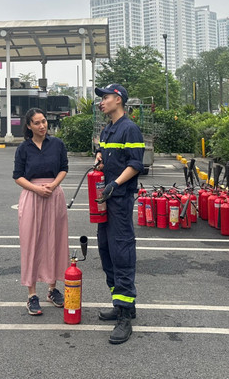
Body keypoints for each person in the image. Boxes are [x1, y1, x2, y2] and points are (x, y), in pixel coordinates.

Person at [93, 83, 145, 345]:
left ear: (119, 100)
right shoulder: (109, 128)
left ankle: (125, 316)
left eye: (105, 98)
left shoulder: (129, 128)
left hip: (120, 200)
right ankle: (121, 302)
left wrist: (116, 183)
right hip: (106, 199)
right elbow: (106, 154)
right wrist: (100, 157)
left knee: (122, 252)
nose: (102, 102)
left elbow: (136, 163)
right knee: (106, 250)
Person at [13, 107, 69, 315]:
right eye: (37, 123)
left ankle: (52, 289)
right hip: (32, 195)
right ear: (29, 126)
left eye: (44, 121)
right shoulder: (23, 148)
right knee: (31, 243)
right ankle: (32, 293)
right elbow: (18, 176)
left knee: (55, 240)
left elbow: (64, 167)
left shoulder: (57, 144)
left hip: (54, 195)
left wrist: (53, 186)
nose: (42, 126)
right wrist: (37, 189)